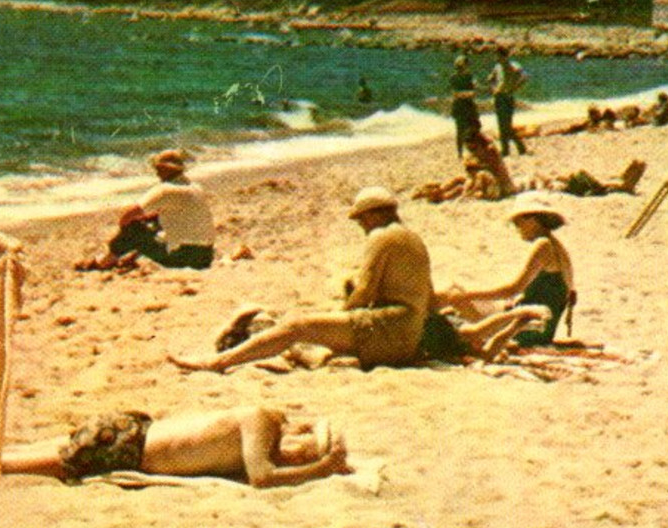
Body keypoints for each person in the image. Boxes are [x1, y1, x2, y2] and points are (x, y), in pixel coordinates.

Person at [170, 187, 432, 373]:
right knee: (312, 331)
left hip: (390, 330)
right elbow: (429, 295)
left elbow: (364, 292)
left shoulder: (381, 236)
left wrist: (341, 318)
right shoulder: (413, 238)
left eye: (361, 219)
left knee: (298, 324)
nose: (361, 225)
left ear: (374, 214)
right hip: (408, 333)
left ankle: (219, 362)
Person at [2, 406, 351, 489]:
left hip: (133, 434)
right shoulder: (262, 421)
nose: (295, 458)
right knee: (7, 465)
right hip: (130, 444)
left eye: (305, 458)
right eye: (303, 449)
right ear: (297, 428)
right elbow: (263, 478)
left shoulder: (263, 434)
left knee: (10, 455)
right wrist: (322, 469)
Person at [438, 195, 577, 347]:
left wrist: (465, 296)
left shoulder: (542, 245)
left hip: (527, 329)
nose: (516, 228)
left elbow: (512, 289)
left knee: (457, 297)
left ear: (531, 219)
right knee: (456, 291)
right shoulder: (557, 247)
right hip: (539, 326)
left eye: (517, 222)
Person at [77, 149, 215, 270]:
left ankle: (103, 262)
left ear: (165, 169)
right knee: (157, 221)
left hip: (179, 257)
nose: (157, 173)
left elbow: (127, 217)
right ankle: (130, 258)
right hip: (205, 257)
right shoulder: (196, 187)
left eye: (159, 169)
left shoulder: (164, 190)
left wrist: (122, 237)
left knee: (134, 227)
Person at [488, 47, 529, 156]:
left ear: (504, 56)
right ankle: (507, 150)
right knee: (502, 125)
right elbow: (491, 79)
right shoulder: (497, 67)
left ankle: (519, 147)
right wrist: (494, 88)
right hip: (499, 97)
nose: (497, 58)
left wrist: (514, 88)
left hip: (507, 96)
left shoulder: (514, 65)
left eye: (499, 56)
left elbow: (525, 77)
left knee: (506, 125)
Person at [449, 55, 481, 157]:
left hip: (460, 105)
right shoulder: (468, 77)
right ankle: (462, 152)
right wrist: (469, 93)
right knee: (467, 128)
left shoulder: (456, 77)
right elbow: (473, 92)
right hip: (466, 105)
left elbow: (456, 94)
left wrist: (463, 94)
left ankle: (462, 151)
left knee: (465, 129)